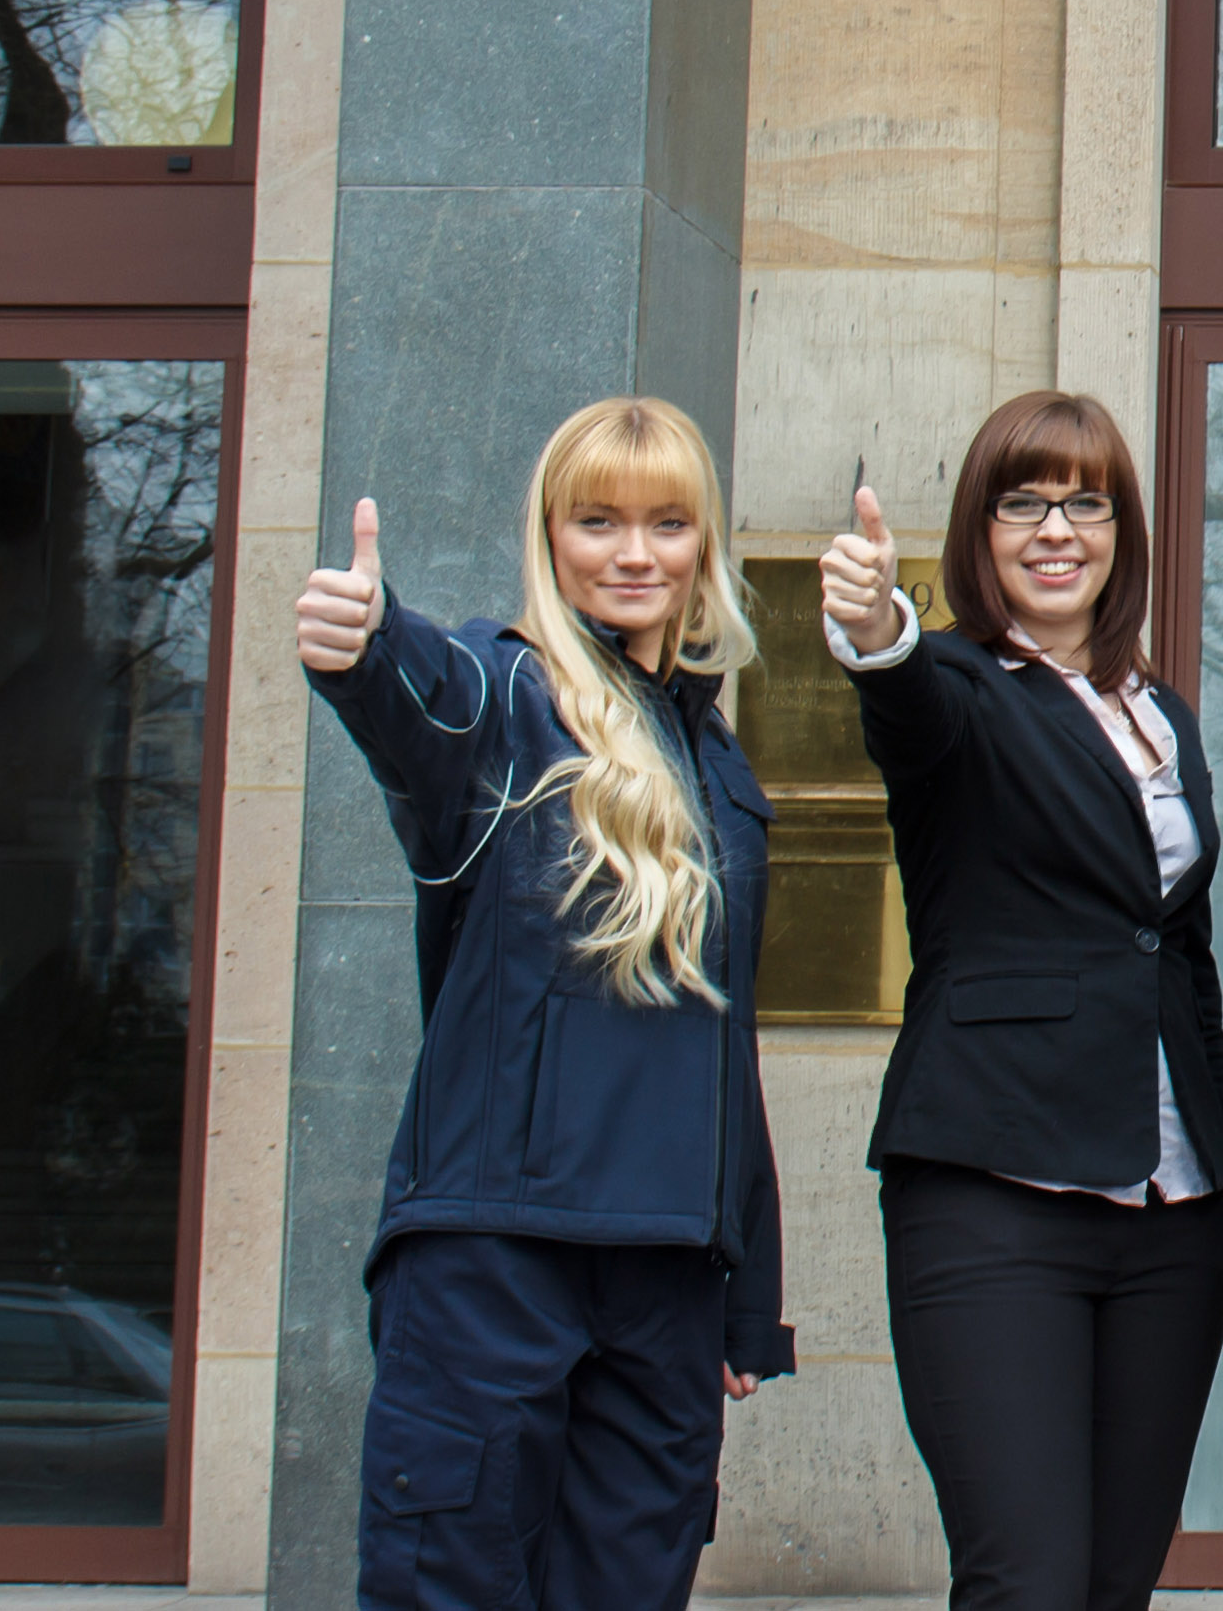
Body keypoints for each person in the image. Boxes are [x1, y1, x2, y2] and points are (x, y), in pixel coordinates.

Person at [293, 397, 792, 1611]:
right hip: (492, 1260)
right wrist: (364, 645)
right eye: (599, 521)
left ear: (703, 547)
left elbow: (727, 1042)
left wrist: (747, 1290)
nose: (635, 553)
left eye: (669, 524)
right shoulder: (503, 702)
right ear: (550, 535)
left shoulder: (719, 762)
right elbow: (421, 697)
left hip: (667, 1276)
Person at [816, 392, 1223, 1611]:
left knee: (1114, 1583)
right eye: (1024, 500)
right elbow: (903, 698)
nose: (1055, 527)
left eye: (1086, 501)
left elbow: (1183, 961)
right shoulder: (956, 684)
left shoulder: (1160, 715)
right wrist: (877, 626)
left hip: (1173, 1212)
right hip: (994, 1194)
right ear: (981, 524)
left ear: (1121, 531)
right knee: (1028, 1584)